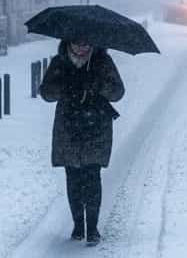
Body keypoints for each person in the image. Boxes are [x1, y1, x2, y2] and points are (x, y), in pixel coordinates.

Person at [38, 39, 125, 245]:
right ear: (68, 42)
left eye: (86, 43)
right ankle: (78, 225)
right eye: (77, 43)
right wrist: (66, 85)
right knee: (73, 178)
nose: (81, 47)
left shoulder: (103, 62)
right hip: (68, 128)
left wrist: (96, 84)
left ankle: (92, 228)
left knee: (92, 176)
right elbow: (46, 93)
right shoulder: (60, 62)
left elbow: (118, 92)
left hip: (96, 127)